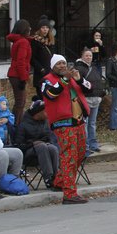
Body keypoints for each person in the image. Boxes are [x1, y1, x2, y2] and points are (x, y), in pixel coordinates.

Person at [41, 55, 89, 204]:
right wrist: (65, 80)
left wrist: (79, 79)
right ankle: (69, 193)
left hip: (79, 121)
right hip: (63, 123)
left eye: (63, 63)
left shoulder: (72, 77)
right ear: (53, 66)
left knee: (80, 154)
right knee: (69, 156)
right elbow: (50, 94)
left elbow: (89, 88)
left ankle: (60, 182)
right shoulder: (47, 80)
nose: (62, 66)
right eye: (58, 64)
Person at [15, 100, 61, 190]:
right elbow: (19, 146)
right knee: (42, 146)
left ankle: (57, 176)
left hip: (44, 151)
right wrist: (32, 144)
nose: (49, 112)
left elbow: (51, 137)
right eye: (46, 110)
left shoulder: (45, 123)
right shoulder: (23, 125)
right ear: (38, 113)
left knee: (52, 148)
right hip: (28, 154)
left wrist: (48, 142)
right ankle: (48, 178)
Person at [74, 48, 105, 153]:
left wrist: (101, 94)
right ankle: (85, 146)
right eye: (86, 55)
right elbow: (78, 84)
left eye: (90, 56)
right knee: (85, 123)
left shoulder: (94, 68)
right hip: (85, 99)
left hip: (96, 99)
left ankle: (93, 143)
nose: (88, 57)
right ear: (82, 56)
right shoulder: (79, 68)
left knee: (92, 123)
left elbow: (99, 82)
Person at [6, 19, 32, 126]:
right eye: (28, 27)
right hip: (18, 75)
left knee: (18, 102)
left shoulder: (18, 41)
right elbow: (21, 62)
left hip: (14, 74)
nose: (30, 29)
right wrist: (23, 78)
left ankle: (14, 123)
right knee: (20, 102)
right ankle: (16, 125)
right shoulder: (23, 42)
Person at [29, 16, 55, 96]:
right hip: (41, 73)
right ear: (39, 29)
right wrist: (41, 69)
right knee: (41, 97)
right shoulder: (35, 41)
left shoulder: (50, 41)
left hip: (50, 72)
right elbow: (32, 58)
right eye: (43, 27)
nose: (45, 30)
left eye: (47, 27)